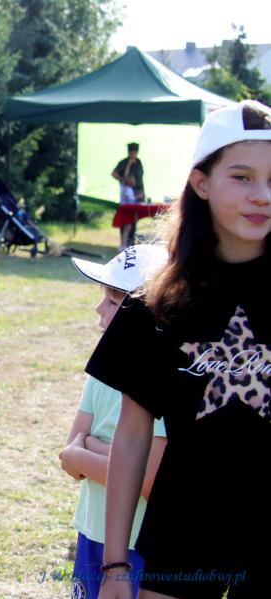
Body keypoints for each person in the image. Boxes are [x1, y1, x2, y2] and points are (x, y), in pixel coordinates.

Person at [89, 100, 270, 598]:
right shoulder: (157, 302)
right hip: (184, 535)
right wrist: (115, 567)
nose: (262, 195)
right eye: (242, 177)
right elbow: (131, 437)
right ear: (201, 183)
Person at [60, 244, 168, 599]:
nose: (98, 307)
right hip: (91, 532)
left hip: (137, 544)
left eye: (112, 300)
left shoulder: (162, 381)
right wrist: (87, 455)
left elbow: (149, 480)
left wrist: (85, 452)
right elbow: (68, 459)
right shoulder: (100, 374)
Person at [112, 143, 146, 250]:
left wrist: (141, 194)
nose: (133, 153)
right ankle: (124, 244)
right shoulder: (124, 163)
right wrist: (125, 177)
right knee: (126, 223)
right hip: (128, 199)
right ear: (129, 151)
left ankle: (130, 243)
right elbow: (114, 173)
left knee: (133, 222)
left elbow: (140, 179)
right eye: (132, 151)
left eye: (135, 151)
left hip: (137, 193)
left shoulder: (139, 162)